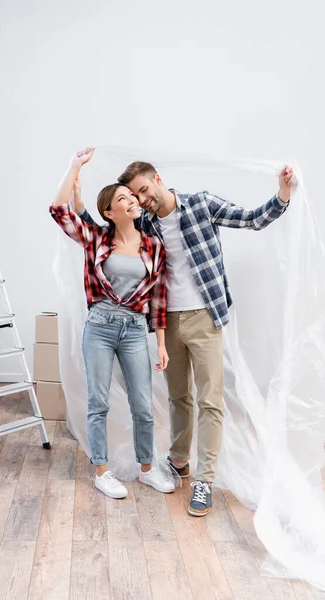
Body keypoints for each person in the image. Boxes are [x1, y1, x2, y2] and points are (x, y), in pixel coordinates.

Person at [76, 155, 293, 515]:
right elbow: (103, 231)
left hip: (206, 318)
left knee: (210, 400)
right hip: (167, 322)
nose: (142, 199)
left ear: (158, 179)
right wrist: (79, 193)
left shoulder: (201, 204)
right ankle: (179, 461)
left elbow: (252, 220)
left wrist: (282, 194)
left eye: (144, 190)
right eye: (135, 196)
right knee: (179, 398)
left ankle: (205, 480)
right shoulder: (143, 222)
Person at [50, 148, 175, 499]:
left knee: (142, 406)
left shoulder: (154, 246)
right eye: (124, 198)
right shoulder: (97, 238)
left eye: (133, 196)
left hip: (136, 329)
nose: (134, 200)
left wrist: (161, 344)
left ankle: (147, 469)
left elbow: (159, 300)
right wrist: (74, 166)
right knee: (98, 402)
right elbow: (59, 211)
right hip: (101, 326)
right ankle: (102, 472)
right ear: (110, 211)